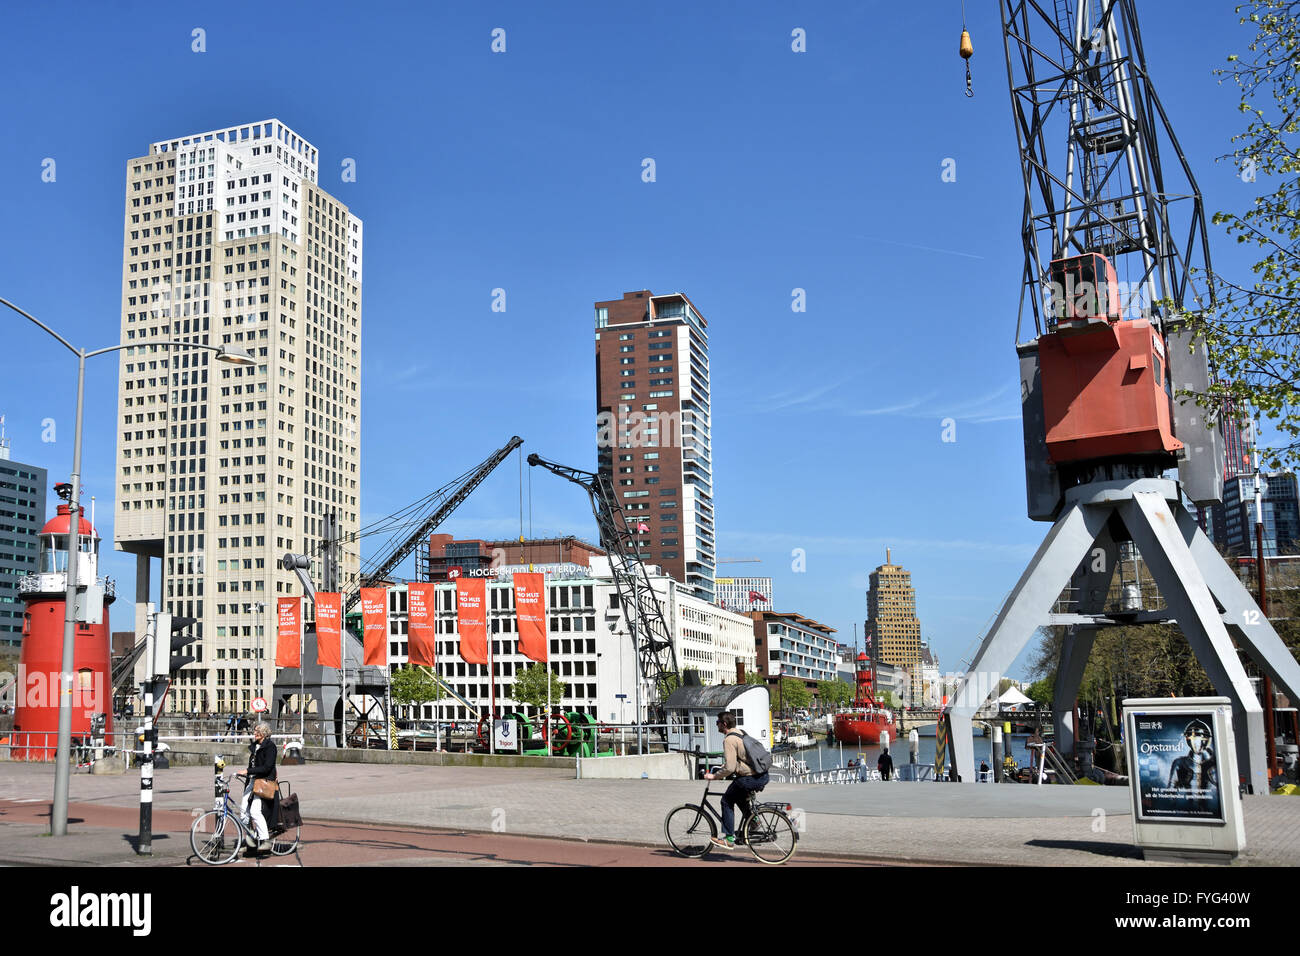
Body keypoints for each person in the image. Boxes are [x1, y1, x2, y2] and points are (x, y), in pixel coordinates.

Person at [703, 711, 769, 850]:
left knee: (726, 801)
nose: (716, 725)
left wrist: (714, 776)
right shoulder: (740, 733)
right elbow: (740, 759)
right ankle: (754, 821)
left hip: (750, 778)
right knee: (739, 797)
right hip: (761, 775)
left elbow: (730, 769)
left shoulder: (728, 740)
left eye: (717, 723)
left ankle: (728, 839)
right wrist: (727, 765)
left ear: (724, 724)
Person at [240, 721, 278, 852]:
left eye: (257, 731)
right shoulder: (255, 746)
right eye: (255, 731)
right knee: (243, 813)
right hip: (252, 781)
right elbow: (253, 764)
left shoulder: (270, 747)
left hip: (262, 782)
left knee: (255, 811)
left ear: (263, 733)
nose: (254, 733)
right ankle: (250, 840)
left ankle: (265, 840)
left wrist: (248, 771)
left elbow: (267, 767)